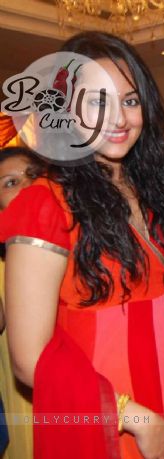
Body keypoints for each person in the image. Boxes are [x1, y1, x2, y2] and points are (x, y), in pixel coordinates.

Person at [0, 32, 164, 459]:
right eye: (95, 102)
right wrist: (134, 417)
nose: (119, 118)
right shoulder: (45, 203)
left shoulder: (153, 192)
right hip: (116, 420)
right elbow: (28, 360)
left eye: (129, 100)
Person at [0, 146, 46, 459]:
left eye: (32, 176)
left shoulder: (82, 250)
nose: (27, 187)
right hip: (24, 411)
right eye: (10, 182)